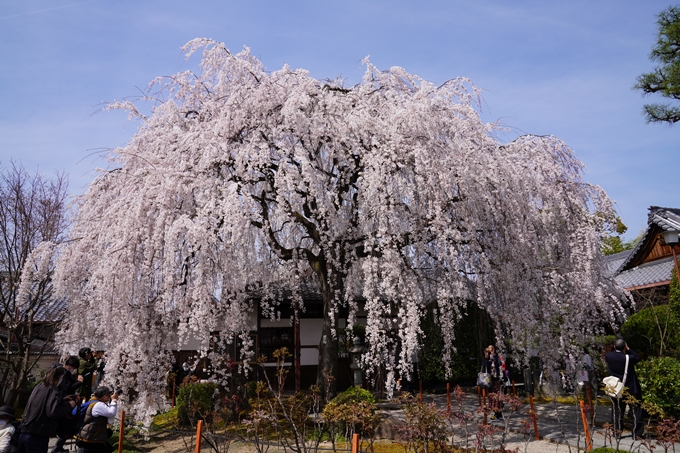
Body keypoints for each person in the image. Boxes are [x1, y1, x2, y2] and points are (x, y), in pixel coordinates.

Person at [18, 367, 77, 453]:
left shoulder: (39, 386)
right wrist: (69, 405)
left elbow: (44, 403)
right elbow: (53, 412)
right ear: (60, 378)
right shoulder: (53, 389)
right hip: (38, 435)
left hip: (25, 431)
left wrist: (61, 400)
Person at [605, 339, 644, 440]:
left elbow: (613, 354)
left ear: (614, 347)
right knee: (636, 410)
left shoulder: (609, 356)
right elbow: (637, 357)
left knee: (617, 410)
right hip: (631, 387)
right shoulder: (629, 357)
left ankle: (617, 432)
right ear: (625, 347)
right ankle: (637, 434)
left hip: (616, 387)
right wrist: (628, 349)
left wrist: (619, 348)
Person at [52, 356, 85, 453]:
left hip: (66, 401)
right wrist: (79, 382)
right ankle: (56, 448)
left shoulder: (66, 373)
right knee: (66, 426)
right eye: (74, 367)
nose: (74, 370)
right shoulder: (64, 374)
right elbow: (68, 388)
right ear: (70, 366)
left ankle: (58, 447)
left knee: (66, 427)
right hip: (64, 403)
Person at [76, 386, 119, 453]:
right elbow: (111, 413)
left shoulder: (93, 401)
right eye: (108, 395)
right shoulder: (98, 405)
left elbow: (110, 419)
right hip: (91, 438)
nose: (109, 396)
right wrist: (113, 400)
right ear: (103, 396)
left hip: (91, 436)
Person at [482, 344, 503, 420]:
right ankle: (496, 413)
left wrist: (493, 355)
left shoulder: (496, 357)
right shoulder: (487, 358)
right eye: (489, 349)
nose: (490, 351)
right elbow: (483, 365)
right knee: (491, 396)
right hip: (489, 380)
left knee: (496, 396)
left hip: (496, 379)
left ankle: (498, 413)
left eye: (491, 349)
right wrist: (486, 356)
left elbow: (499, 365)